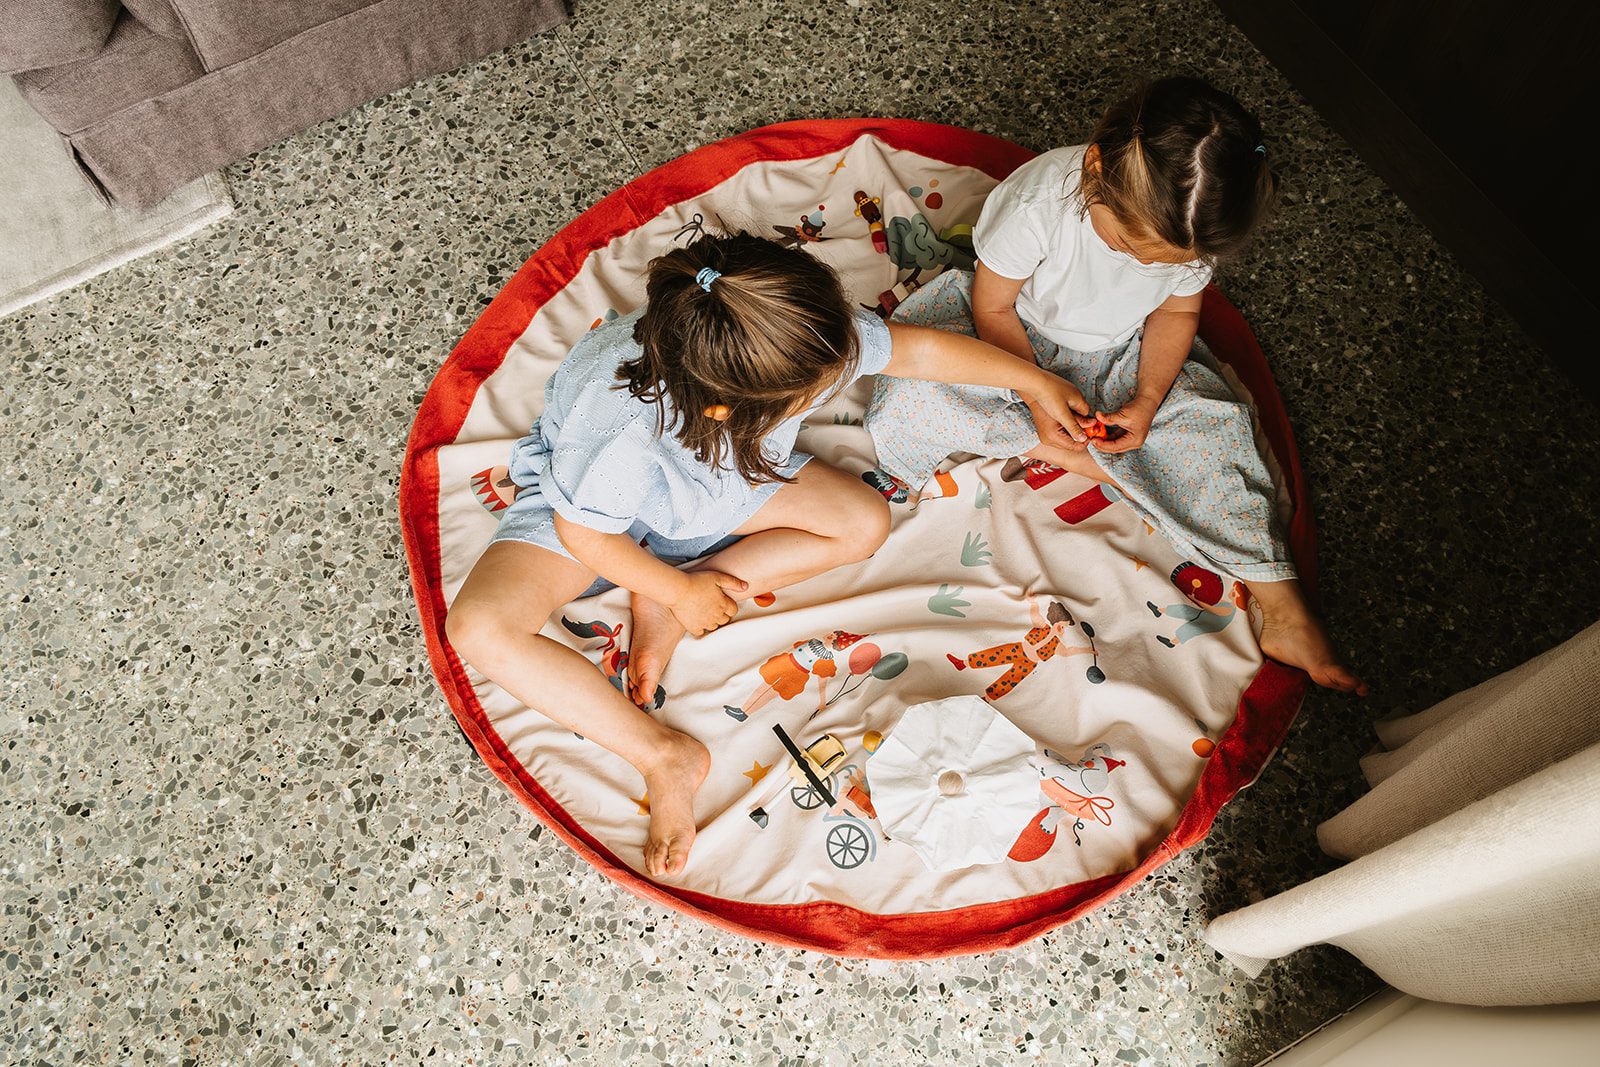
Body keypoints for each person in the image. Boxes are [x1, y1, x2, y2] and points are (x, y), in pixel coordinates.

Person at [446, 230, 1091, 877]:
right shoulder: (620, 420)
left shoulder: (792, 332)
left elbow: (914, 350)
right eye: (807, 400)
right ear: (730, 409)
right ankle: (661, 753)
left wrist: (1032, 381)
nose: (829, 387)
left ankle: (681, 585)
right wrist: (673, 588)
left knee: (862, 520)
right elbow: (585, 533)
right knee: (479, 627)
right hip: (591, 517)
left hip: (718, 491)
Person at [864, 76, 1366, 695]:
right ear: (1095, 168)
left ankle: (1280, 602)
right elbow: (992, 309)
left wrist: (1149, 400)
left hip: (1123, 352)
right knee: (911, 391)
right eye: (1128, 246)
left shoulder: (1191, 234)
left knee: (1214, 430)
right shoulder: (1038, 206)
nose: (1147, 266)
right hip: (1012, 340)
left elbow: (1177, 315)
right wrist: (1036, 390)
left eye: (1167, 263)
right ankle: (1068, 450)